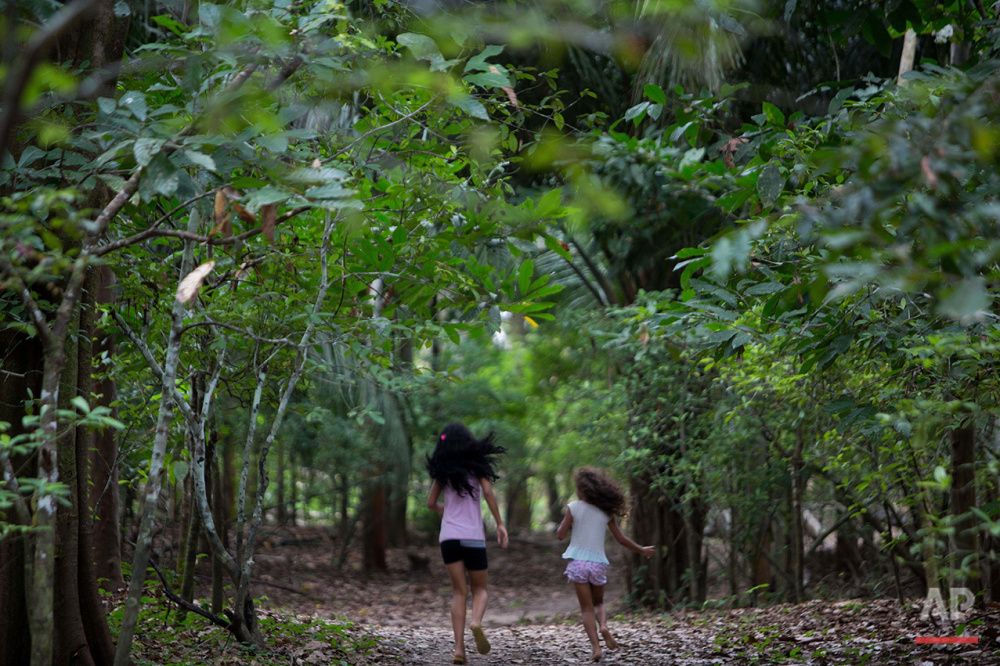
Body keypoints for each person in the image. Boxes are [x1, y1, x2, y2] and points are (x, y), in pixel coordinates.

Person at [426, 423, 509, 665]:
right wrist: (500, 523)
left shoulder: (443, 472)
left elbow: (431, 504)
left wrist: (446, 510)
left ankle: (459, 650)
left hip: (449, 537)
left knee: (458, 592)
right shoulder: (477, 467)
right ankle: (476, 622)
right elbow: (489, 493)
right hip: (473, 537)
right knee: (480, 590)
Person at [557, 466, 654, 662]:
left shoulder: (573, 507)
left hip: (578, 565)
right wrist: (642, 549)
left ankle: (596, 648)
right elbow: (621, 539)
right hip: (597, 564)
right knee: (599, 603)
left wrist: (567, 524)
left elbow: (560, 535)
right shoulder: (605, 513)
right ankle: (603, 626)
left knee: (586, 609)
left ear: (581, 490)